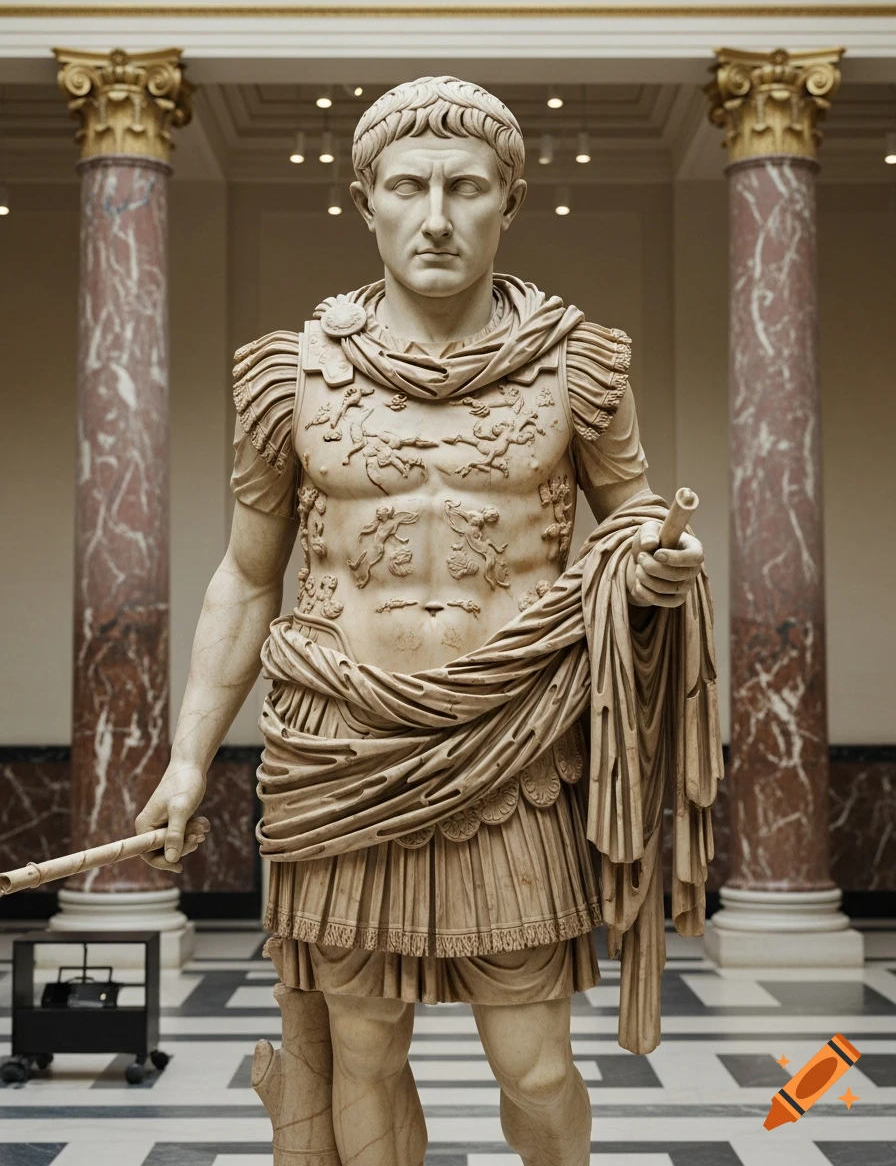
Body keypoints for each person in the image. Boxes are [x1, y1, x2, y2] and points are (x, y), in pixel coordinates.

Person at [136, 76, 721, 1166]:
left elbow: (632, 513)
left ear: (509, 199)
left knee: (534, 1062)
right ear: (365, 199)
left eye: (465, 186)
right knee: (360, 1047)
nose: (437, 215)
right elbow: (244, 577)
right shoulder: (288, 377)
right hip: (342, 750)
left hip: (512, 755)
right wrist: (184, 755)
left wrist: (655, 558)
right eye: (408, 186)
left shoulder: (578, 366)